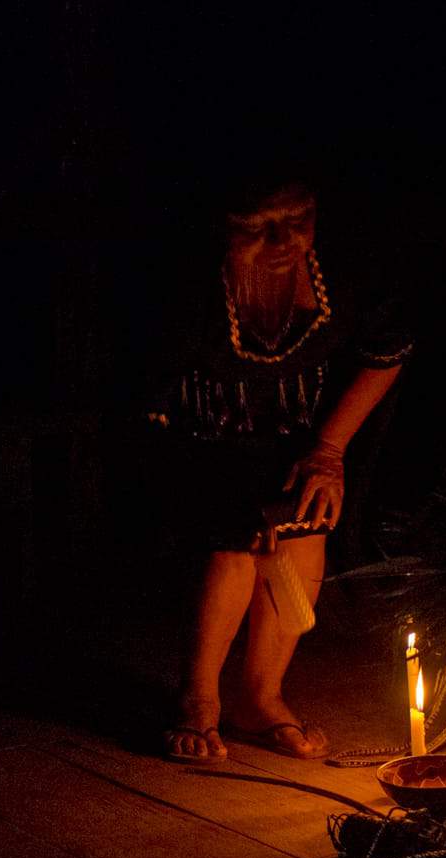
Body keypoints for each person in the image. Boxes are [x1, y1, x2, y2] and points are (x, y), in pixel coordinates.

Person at [148, 172, 410, 763]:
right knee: (233, 546)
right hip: (200, 436)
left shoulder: (344, 270)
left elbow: (385, 354)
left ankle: (260, 697)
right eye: (257, 228)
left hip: (299, 435)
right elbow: (148, 396)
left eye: (298, 220)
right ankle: (199, 702)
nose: (283, 241)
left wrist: (329, 451)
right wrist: (229, 490)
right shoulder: (189, 288)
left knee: (305, 525)